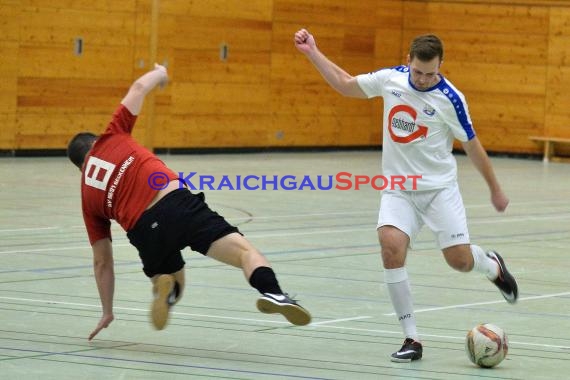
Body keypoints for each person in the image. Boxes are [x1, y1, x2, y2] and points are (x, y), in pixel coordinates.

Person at [294, 29, 518, 362]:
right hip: (398, 188)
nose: (425, 79)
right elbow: (344, 83)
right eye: (418, 72)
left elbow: (472, 146)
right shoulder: (390, 80)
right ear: (407, 61)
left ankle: (490, 265)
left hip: (439, 190)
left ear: (441, 65)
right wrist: (313, 51)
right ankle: (411, 338)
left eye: (432, 73)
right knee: (390, 247)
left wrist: (495, 188)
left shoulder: (451, 98)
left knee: (459, 261)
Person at [67, 64, 311, 341]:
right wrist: (160, 72)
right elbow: (138, 88)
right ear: (96, 141)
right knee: (245, 253)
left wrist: (107, 311)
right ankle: (274, 293)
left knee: (172, 276)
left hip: (144, 231)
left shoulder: (87, 199)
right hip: (176, 204)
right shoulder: (114, 134)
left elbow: (102, 262)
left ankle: (165, 290)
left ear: (79, 167)